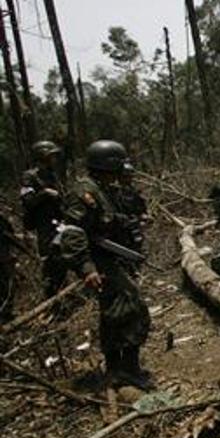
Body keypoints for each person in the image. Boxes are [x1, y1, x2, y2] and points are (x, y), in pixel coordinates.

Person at [58, 140, 153, 390]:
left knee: (113, 313)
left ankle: (115, 370)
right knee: (133, 306)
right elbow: (73, 232)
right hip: (98, 262)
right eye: (119, 165)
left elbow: (106, 218)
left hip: (110, 258)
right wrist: (86, 268)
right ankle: (128, 370)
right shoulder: (84, 192)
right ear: (109, 165)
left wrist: (128, 222)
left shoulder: (101, 189)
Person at [20, 141, 67, 298]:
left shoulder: (52, 174)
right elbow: (28, 200)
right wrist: (45, 193)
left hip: (58, 222)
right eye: (51, 156)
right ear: (42, 156)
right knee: (49, 260)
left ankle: (64, 292)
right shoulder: (29, 176)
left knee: (62, 258)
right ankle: (51, 297)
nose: (54, 159)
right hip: (44, 224)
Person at [114, 161, 148, 273]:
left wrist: (143, 216)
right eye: (125, 176)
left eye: (130, 176)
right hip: (119, 225)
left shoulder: (133, 191)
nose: (128, 179)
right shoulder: (113, 191)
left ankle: (135, 270)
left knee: (137, 245)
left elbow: (141, 207)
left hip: (134, 223)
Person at [0, 213, 16, 323]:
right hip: (4, 257)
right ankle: (5, 314)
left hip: (4, 256)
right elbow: (10, 232)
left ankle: (6, 314)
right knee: (8, 284)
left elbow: (10, 232)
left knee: (7, 285)